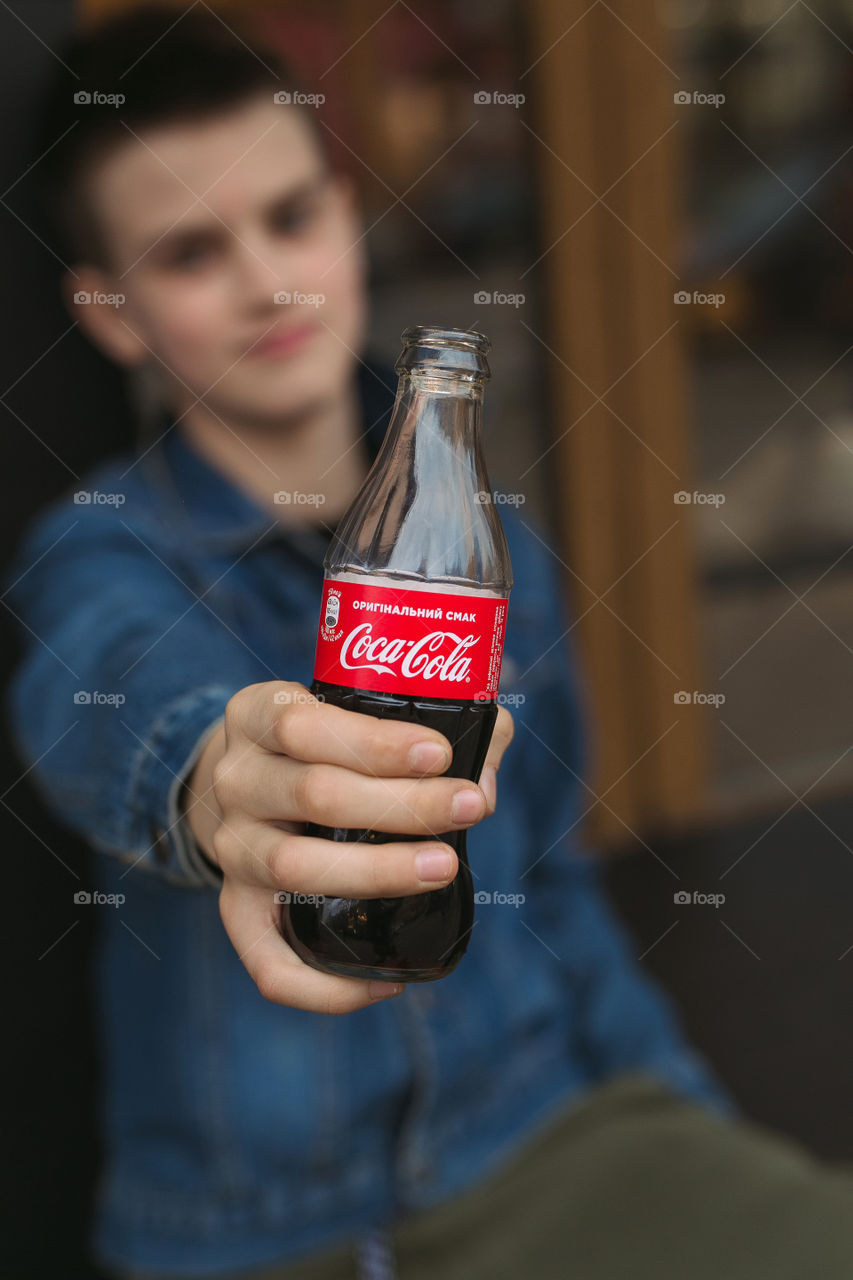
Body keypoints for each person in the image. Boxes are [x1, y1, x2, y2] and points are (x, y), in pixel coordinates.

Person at [8, 7, 853, 1280]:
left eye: (291, 217)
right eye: (191, 252)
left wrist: (676, 1112)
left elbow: (550, 880)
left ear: (347, 218)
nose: (266, 281)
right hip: (246, 1226)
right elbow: (106, 687)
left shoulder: (491, 548)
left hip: (538, 1133)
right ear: (113, 312)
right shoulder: (104, 545)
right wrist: (219, 775)